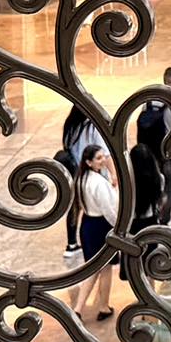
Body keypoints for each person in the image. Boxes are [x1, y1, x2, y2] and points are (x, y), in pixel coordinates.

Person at [68, 142, 119, 323]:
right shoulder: (98, 182)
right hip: (101, 227)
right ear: (89, 162)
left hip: (87, 225)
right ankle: (103, 306)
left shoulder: (80, 179)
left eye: (103, 156)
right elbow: (108, 210)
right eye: (98, 158)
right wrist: (119, 227)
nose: (103, 160)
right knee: (105, 269)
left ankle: (78, 309)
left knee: (92, 269)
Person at [136, 66, 171, 223]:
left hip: (151, 152)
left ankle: (152, 215)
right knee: (169, 188)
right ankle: (165, 220)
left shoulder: (150, 100)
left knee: (153, 185)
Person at [57, 106, 106, 263]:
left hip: (73, 173)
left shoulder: (70, 126)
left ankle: (71, 244)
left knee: (74, 208)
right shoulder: (92, 127)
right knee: (94, 210)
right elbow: (104, 152)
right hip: (88, 174)